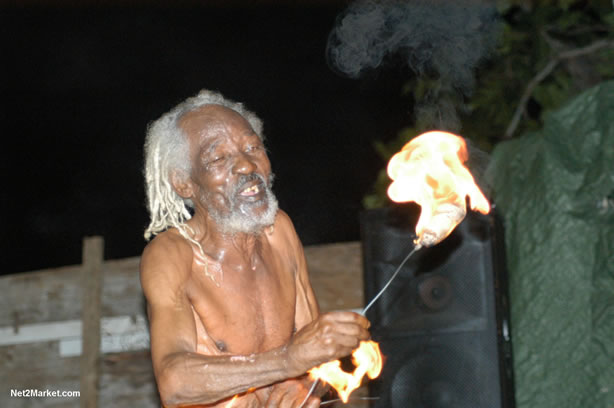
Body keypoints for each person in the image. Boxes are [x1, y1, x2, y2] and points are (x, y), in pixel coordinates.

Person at [140, 90, 371, 408]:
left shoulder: (279, 231)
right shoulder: (172, 255)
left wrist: (306, 386)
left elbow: (315, 358)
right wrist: (288, 362)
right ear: (183, 183)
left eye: (253, 147)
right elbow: (174, 383)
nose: (247, 165)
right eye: (219, 158)